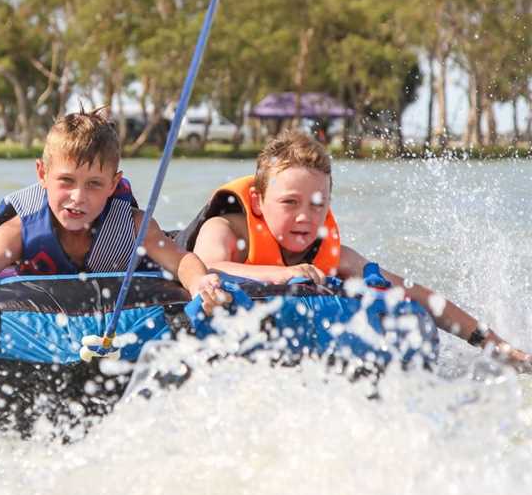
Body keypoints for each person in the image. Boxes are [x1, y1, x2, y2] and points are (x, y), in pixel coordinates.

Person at [178, 128, 531, 371]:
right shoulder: (224, 228)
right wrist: (283, 274)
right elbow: (208, 265)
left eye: (318, 204)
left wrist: (490, 342)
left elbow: (414, 294)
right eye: (290, 202)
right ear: (257, 201)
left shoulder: (334, 255)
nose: (305, 216)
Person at [0, 107, 224, 321]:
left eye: (94, 184)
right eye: (66, 181)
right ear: (42, 174)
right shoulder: (21, 228)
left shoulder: (135, 226)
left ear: (113, 184)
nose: (78, 198)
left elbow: (180, 259)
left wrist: (200, 283)